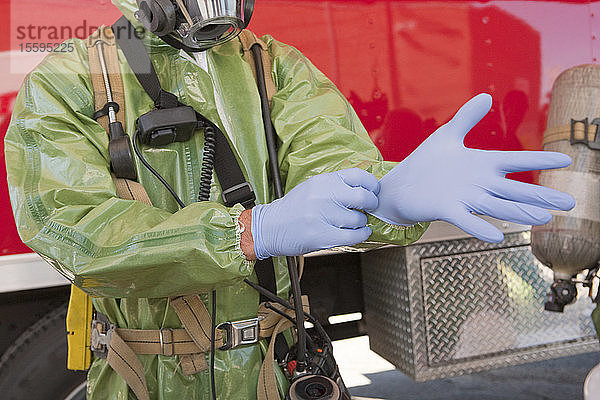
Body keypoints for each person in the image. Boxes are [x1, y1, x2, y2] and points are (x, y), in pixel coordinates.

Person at [4, 0, 575, 399]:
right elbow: (78, 234)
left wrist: (387, 199)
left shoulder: (271, 66)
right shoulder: (71, 80)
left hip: (274, 376)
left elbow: (332, 165)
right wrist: (251, 232)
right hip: (144, 382)